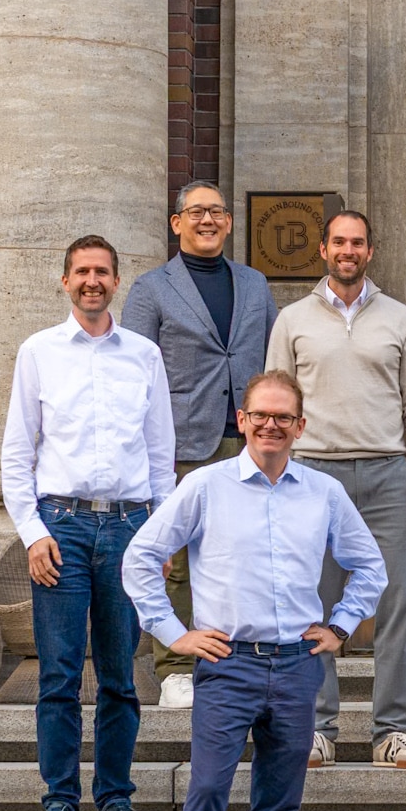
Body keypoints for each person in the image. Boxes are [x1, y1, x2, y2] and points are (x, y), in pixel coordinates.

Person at [129, 370, 388, 811]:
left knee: (277, 801)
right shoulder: (206, 487)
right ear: (242, 420)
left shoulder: (322, 493)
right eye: (260, 415)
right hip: (228, 665)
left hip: (298, 667)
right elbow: (141, 556)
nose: (271, 425)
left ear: (301, 427)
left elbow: (369, 565)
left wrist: (341, 625)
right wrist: (174, 633)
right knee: (209, 791)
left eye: (284, 417)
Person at [0, 234, 176, 811]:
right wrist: (32, 533)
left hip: (129, 529)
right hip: (62, 529)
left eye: (102, 272)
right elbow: (18, 452)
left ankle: (116, 797)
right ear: (66, 281)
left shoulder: (145, 356)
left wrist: (159, 535)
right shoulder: (39, 352)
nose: (92, 281)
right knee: (59, 674)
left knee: (122, 674)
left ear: (116, 281)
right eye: (82, 272)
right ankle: (58, 800)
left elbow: (161, 457)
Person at [268, 209, 406, 770]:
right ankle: (317, 728)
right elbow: (275, 406)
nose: (348, 250)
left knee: (398, 601)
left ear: (371, 251)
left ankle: (392, 730)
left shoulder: (398, 319)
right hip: (313, 477)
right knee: (311, 602)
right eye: (339, 242)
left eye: (358, 242)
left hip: (391, 474)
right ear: (323, 250)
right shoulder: (292, 320)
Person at [123, 180, 280, 707]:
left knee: (245, 551)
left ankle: (238, 657)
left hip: (250, 442)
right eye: (196, 213)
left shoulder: (255, 284)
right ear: (177, 223)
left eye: (216, 212)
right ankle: (174, 667)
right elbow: (135, 372)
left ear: (230, 222)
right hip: (182, 441)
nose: (207, 220)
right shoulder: (151, 288)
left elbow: (273, 361)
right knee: (177, 558)